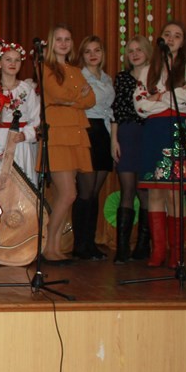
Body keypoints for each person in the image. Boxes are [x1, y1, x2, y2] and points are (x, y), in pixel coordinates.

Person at [134, 22, 186, 268]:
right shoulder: (147, 70)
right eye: (167, 34)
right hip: (154, 131)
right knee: (155, 191)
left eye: (177, 36)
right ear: (160, 39)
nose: (171, 39)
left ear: (183, 42)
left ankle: (177, 252)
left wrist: (159, 96)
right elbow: (140, 106)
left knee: (175, 192)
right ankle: (158, 250)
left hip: (178, 130)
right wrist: (171, 98)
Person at [39, 24, 95, 261]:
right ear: (52, 43)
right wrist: (78, 96)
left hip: (76, 133)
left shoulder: (75, 70)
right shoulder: (46, 67)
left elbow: (91, 99)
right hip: (58, 134)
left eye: (68, 39)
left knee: (68, 194)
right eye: (59, 39)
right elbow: (57, 94)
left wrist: (74, 100)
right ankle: (47, 245)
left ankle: (54, 247)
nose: (64, 43)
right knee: (68, 194)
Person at [72, 35, 115, 260]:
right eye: (88, 51)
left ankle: (90, 243)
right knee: (85, 192)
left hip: (103, 133)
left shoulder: (107, 78)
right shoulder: (79, 77)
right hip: (87, 130)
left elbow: (110, 110)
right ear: (82, 55)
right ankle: (79, 245)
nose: (93, 55)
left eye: (96, 50)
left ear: (102, 53)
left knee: (95, 193)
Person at [110, 35, 152, 263]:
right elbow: (116, 110)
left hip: (149, 134)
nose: (135, 54)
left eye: (139, 50)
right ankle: (122, 248)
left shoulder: (156, 77)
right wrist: (114, 140)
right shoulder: (122, 78)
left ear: (147, 52)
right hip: (126, 134)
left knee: (145, 191)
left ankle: (143, 245)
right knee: (127, 190)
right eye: (131, 51)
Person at [0, 42, 39, 186]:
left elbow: (35, 119)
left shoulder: (26, 89)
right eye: (8, 59)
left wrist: (25, 135)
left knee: (22, 184)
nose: (13, 63)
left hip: (20, 143)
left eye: (17, 60)